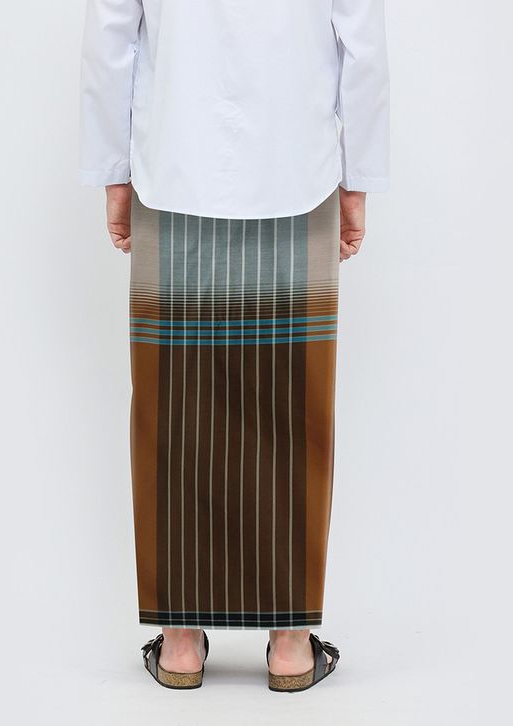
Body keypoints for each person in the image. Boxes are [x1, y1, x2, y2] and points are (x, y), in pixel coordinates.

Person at [78, 0, 389, 692]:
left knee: (172, 408)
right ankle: (291, 646)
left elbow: (110, 38)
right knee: (295, 408)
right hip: (297, 165)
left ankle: (181, 643)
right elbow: (362, 45)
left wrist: (113, 172)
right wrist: (360, 179)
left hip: (173, 164)